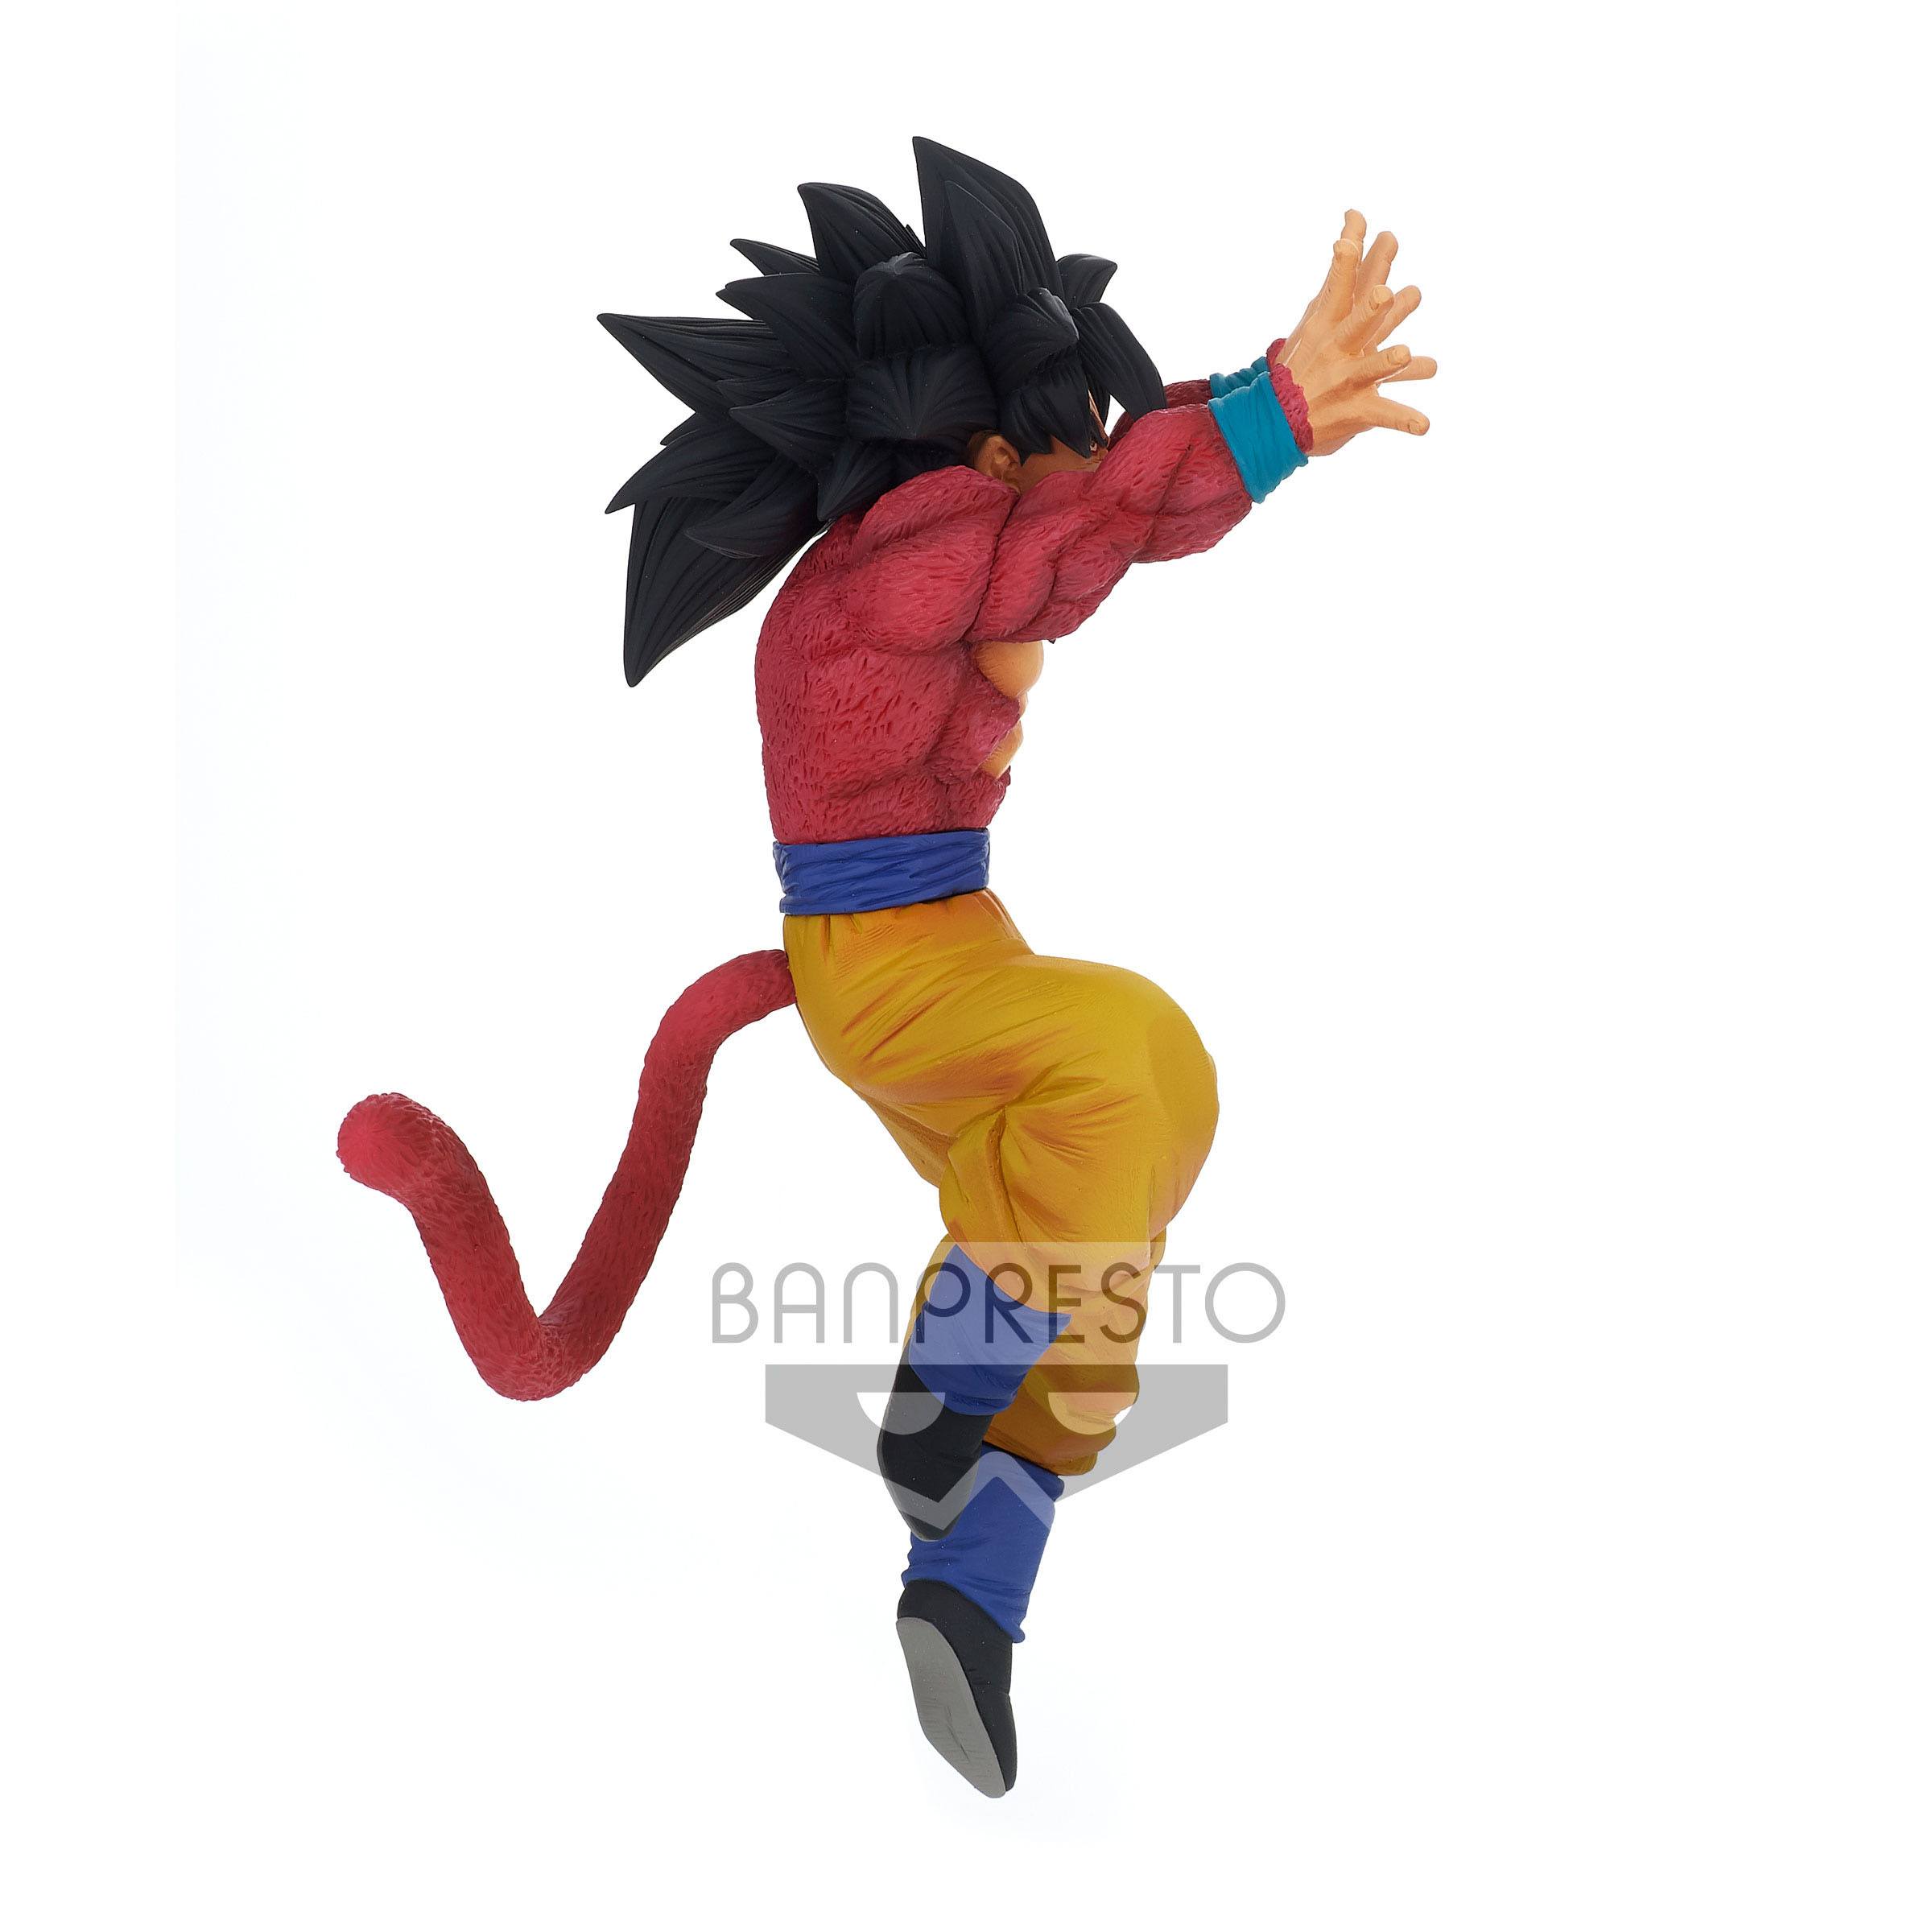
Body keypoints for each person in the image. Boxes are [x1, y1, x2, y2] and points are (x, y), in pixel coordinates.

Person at [339, 138, 1435, 1798]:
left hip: (948, 945)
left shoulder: (944, 530)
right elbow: (1091, 527)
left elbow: (1105, 487)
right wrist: (1277, 413)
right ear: (982, 451)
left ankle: (974, 1576)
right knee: (1125, 1055)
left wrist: (1260, 394)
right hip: (883, 967)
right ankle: (948, 1376)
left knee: (1126, 1161)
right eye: (1049, 448)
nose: (1072, 474)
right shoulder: (900, 564)